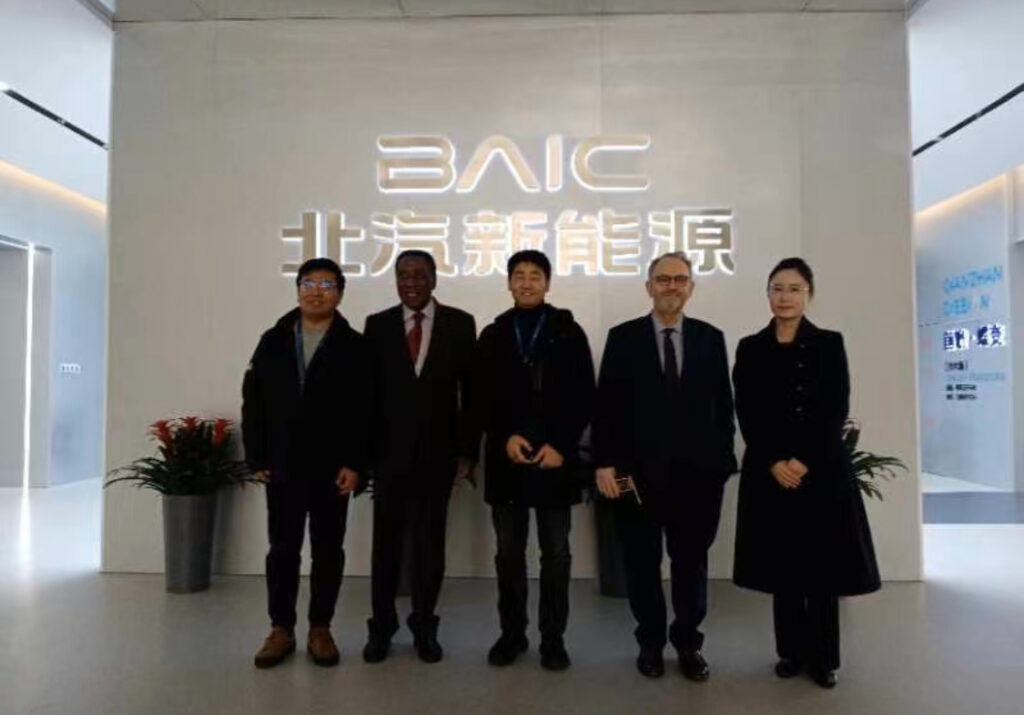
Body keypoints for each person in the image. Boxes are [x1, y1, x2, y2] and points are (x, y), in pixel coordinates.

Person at [731, 257, 880, 689]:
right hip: (771, 473)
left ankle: (824, 659)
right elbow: (747, 411)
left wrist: (802, 460)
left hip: (820, 472)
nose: (785, 297)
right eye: (777, 288)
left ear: (808, 295)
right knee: (784, 568)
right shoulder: (750, 347)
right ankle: (790, 653)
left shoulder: (829, 343)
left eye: (794, 289)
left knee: (821, 569)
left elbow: (836, 407)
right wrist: (774, 461)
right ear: (767, 294)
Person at [593, 251, 736, 681]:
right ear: (649, 286)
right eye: (663, 279)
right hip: (635, 476)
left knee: (691, 565)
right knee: (641, 565)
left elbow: (723, 408)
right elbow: (606, 407)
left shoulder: (711, 338)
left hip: (697, 478)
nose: (671, 286)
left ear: (691, 287)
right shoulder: (623, 338)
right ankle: (650, 644)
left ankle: (688, 644)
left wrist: (720, 465)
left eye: (679, 279)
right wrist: (604, 463)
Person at [241, 257, 371, 669]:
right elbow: (253, 401)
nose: (317, 292)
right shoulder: (272, 339)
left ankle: (320, 628)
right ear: (297, 289)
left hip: (333, 469)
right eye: (309, 283)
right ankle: (280, 628)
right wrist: (257, 456)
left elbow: (367, 410)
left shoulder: (355, 345)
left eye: (327, 285)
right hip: (282, 465)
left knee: (328, 550)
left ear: (340, 294)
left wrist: (356, 463)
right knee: (282, 550)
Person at [476, 250, 595, 671]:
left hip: (554, 461)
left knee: (556, 553)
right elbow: (479, 396)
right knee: (508, 553)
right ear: (508, 283)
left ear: (548, 283)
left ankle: (552, 639)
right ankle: (512, 634)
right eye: (519, 276)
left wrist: (561, 445)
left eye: (535, 276)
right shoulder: (493, 333)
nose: (526, 283)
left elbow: (584, 395)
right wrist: (504, 436)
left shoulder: (568, 332)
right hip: (507, 458)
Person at [362, 250, 479, 664]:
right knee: (386, 547)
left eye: (419, 274)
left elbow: (472, 394)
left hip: (438, 455)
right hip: (389, 457)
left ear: (434, 278)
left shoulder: (460, 324)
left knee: (430, 546)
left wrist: (467, 452)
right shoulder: (377, 325)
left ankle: (424, 626)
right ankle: (381, 627)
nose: (410, 282)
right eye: (403, 274)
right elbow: (367, 397)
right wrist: (366, 455)